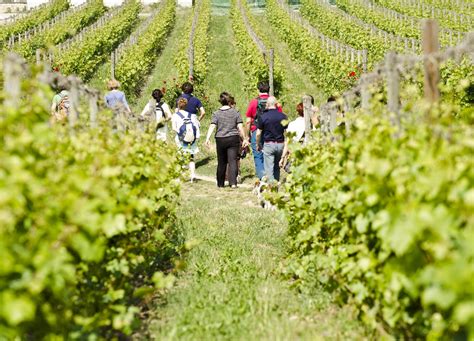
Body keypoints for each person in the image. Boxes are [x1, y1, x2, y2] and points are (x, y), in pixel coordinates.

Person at [205, 92, 249, 188]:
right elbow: (240, 126)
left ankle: (220, 183)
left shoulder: (216, 113)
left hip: (220, 139)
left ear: (220, 101)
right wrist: (245, 138)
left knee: (221, 162)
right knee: (232, 161)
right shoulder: (235, 112)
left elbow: (212, 125)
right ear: (229, 101)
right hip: (233, 138)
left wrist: (207, 138)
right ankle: (233, 183)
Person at [245, 81, 282, 179]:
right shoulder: (275, 102)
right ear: (269, 89)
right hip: (272, 132)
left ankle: (263, 177)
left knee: (258, 156)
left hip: (256, 130)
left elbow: (248, 121)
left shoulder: (254, 102)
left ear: (258, 90)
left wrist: (247, 135)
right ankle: (272, 178)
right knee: (271, 156)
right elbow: (280, 118)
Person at [256, 96, 288, 182]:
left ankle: (271, 190)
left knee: (269, 169)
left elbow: (258, 133)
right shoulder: (283, 116)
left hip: (269, 144)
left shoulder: (263, 116)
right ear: (276, 104)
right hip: (280, 144)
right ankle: (276, 188)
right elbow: (286, 133)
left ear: (267, 104)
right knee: (276, 167)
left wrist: (258, 143)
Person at [172, 97, 200, 182]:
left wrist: (180, 134)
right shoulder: (192, 115)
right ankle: (192, 175)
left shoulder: (175, 116)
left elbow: (174, 128)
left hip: (181, 139)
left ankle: (179, 177)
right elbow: (197, 127)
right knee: (191, 157)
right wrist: (196, 138)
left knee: (180, 157)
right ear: (186, 105)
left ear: (178, 105)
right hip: (192, 139)